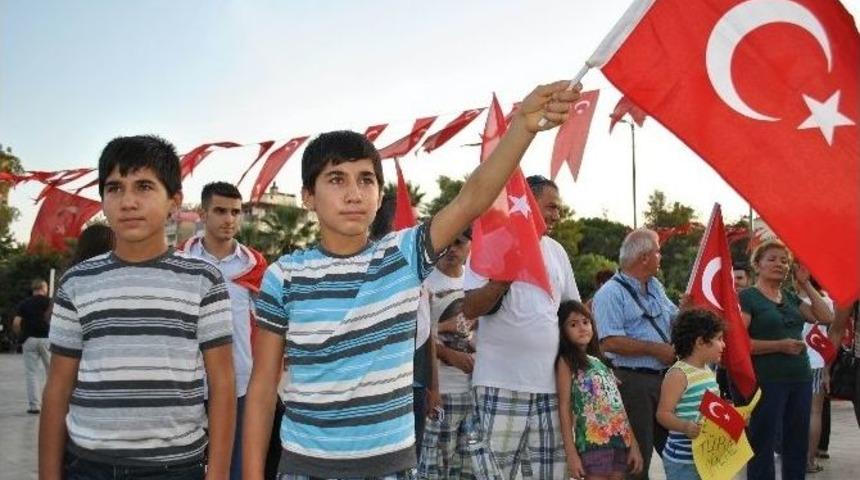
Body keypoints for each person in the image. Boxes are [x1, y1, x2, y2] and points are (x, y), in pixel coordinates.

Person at [243, 81, 581, 480]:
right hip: (305, 466)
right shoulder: (284, 276)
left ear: (379, 192)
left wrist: (522, 127)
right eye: (336, 179)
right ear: (307, 197)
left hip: (393, 467)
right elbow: (264, 386)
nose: (353, 193)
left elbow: (472, 197)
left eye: (365, 180)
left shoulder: (402, 256)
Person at [39, 135, 237, 479]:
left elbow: (222, 382)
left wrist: (218, 473)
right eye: (115, 188)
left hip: (176, 467)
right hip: (89, 466)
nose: (128, 201)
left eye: (144, 187)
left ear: (173, 201)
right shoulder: (76, 283)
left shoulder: (204, 280)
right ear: (102, 201)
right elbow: (57, 388)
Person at [462, 174, 582, 479]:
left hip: (551, 390)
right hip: (501, 386)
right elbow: (470, 308)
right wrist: (504, 275)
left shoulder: (556, 251)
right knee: (493, 474)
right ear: (526, 203)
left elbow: (571, 313)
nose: (557, 214)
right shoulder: (491, 242)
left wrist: (590, 365)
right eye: (551, 206)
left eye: (559, 208)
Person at [180, 181, 268, 480]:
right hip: (187, 383)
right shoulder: (179, 263)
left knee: (236, 467)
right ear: (203, 214)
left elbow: (269, 325)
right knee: (185, 466)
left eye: (235, 211)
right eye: (220, 211)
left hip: (240, 382)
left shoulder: (254, 265)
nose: (229, 219)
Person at [740, 240, 833, 480]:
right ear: (757, 265)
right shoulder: (748, 297)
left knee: (796, 442)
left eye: (784, 260)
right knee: (763, 441)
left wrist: (805, 284)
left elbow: (826, 316)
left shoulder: (791, 297)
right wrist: (779, 346)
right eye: (772, 259)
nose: (779, 264)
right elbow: (740, 344)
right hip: (767, 380)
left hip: (799, 379)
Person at [591, 228, 680, 480]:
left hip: (665, 379)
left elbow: (673, 318)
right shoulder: (610, 293)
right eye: (658, 251)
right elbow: (609, 341)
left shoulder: (655, 286)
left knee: (677, 450)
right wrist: (655, 349)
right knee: (636, 457)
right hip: (633, 383)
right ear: (644, 257)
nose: (661, 257)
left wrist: (689, 310)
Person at [418, 228, 495, 479]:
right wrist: (447, 353)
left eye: (459, 243)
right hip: (439, 393)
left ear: (471, 246)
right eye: (447, 242)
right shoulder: (425, 281)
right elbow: (418, 336)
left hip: (474, 392)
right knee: (434, 466)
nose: (452, 249)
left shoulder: (478, 282)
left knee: (467, 468)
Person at [556, 300, 642, 480]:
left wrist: (634, 445)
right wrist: (571, 453)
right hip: (591, 445)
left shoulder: (601, 363)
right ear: (562, 331)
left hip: (619, 442)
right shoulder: (566, 362)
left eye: (585, 322)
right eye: (573, 324)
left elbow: (619, 407)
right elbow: (564, 407)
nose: (582, 327)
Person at [656, 309, 724, 480]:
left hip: (707, 457)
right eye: (719, 339)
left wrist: (733, 418)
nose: (723, 345)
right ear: (700, 342)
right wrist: (685, 426)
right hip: (684, 462)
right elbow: (663, 414)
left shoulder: (707, 370)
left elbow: (713, 409)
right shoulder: (678, 374)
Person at [793, 276, 834, 473]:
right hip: (816, 362)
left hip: (793, 360)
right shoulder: (825, 302)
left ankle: (793, 457)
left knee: (792, 412)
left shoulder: (788, 300)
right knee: (815, 412)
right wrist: (827, 371)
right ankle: (809, 461)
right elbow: (830, 336)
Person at [12, 278, 52, 414]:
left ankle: (34, 406)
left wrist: (21, 335)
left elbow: (16, 323)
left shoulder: (24, 303)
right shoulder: (50, 303)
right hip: (48, 340)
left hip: (29, 340)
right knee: (52, 373)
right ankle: (53, 405)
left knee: (31, 373)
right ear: (43, 287)